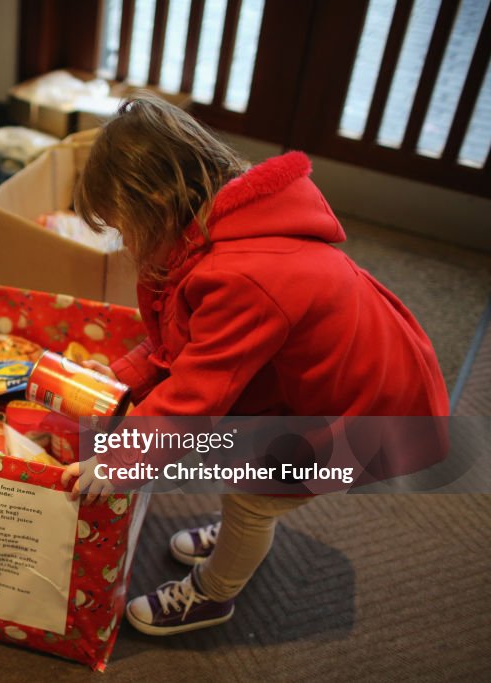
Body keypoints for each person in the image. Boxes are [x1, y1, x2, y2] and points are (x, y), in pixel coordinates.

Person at [60, 95, 450, 636]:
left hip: (362, 410)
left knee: (253, 498)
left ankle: (212, 596)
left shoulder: (242, 275)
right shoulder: (220, 228)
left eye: (123, 227)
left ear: (155, 201)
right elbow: (185, 344)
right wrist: (122, 377)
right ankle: (239, 532)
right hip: (332, 385)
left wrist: (120, 458)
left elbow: (196, 396)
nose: (125, 243)